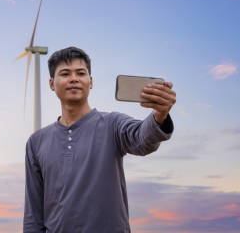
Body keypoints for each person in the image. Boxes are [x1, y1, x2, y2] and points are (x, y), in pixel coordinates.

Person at [23, 46, 176, 232]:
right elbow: (33, 214)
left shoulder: (113, 124)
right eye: (65, 73)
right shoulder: (36, 142)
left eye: (81, 73)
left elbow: (142, 138)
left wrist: (159, 115)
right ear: (51, 83)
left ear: (91, 81)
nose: (74, 79)